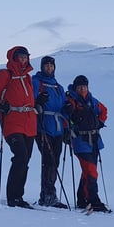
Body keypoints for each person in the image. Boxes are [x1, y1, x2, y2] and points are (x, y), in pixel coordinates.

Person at [0, 46, 37, 209]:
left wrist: (38, 105)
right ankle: (14, 197)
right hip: (12, 122)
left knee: (25, 160)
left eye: (25, 57)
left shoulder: (27, 78)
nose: (23, 60)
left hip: (29, 123)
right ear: (13, 58)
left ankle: (18, 196)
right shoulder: (6, 75)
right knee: (21, 156)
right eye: (20, 57)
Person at [63, 74, 110, 212]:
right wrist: (69, 128)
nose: (82, 89)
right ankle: (93, 200)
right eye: (80, 87)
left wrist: (100, 122)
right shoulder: (71, 101)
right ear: (75, 88)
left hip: (94, 141)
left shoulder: (91, 100)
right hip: (80, 141)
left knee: (88, 171)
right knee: (90, 171)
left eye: (84, 86)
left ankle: (82, 199)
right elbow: (65, 116)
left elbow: (104, 110)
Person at [32, 55, 69, 209]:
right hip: (42, 126)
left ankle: (46, 195)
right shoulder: (36, 82)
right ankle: (49, 195)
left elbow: (64, 107)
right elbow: (30, 100)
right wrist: (37, 101)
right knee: (49, 161)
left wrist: (67, 119)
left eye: (51, 66)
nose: (49, 68)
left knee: (55, 162)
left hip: (57, 128)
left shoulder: (58, 87)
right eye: (46, 65)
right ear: (42, 67)